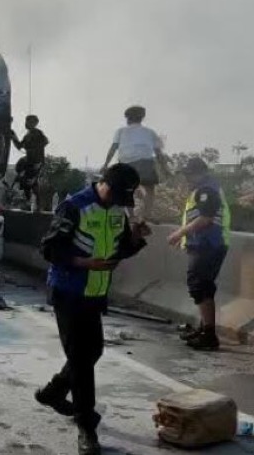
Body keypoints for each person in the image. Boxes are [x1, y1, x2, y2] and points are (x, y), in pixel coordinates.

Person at [37, 163, 149, 455]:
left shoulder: (116, 211)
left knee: (93, 351)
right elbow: (50, 250)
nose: (118, 204)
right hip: (68, 292)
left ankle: (53, 391)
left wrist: (135, 239)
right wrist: (87, 264)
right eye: (116, 196)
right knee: (82, 361)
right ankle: (86, 427)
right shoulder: (74, 206)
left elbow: (119, 248)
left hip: (95, 293)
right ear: (105, 185)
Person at [167, 158, 230, 351]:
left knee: (199, 287)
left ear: (200, 173)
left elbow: (206, 219)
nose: (187, 178)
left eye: (189, 174)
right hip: (206, 244)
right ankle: (204, 329)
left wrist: (180, 233)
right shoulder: (206, 188)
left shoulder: (206, 190)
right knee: (203, 286)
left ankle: (209, 334)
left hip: (208, 244)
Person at [102, 105, 168, 222]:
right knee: (149, 189)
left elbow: (113, 148)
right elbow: (158, 152)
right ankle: (147, 215)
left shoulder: (121, 131)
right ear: (142, 118)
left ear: (127, 119)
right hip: (145, 162)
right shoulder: (150, 132)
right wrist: (165, 168)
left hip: (126, 163)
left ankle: (132, 216)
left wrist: (106, 164)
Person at [11, 115, 49, 208]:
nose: (26, 123)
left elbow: (45, 141)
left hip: (35, 162)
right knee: (26, 179)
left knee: (29, 183)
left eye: (28, 122)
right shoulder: (27, 135)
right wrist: (13, 136)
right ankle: (32, 203)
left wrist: (33, 148)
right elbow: (19, 146)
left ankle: (34, 204)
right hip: (29, 161)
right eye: (26, 121)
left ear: (34, 123)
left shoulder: (37, 133)